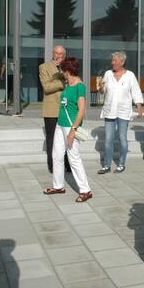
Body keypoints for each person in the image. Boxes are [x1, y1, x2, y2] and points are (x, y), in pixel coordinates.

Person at [43, 57, 92, 202]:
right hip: (60, 124)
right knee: (57, 156)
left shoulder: (79, 86)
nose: (62, 73)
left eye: (63, 70)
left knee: (73, 157)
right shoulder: (67, 85)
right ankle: (58, 186)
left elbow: (81, 110)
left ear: (68, 71)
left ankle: (86, 190)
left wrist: (73, 130)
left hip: (71, 126)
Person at [98, 51, 144, 174]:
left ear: (122, 62)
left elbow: (136, 92)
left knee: (122, 138)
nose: (112, 63)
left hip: (123, 111)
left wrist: (139, 107)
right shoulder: (108, 74)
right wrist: (101, 87)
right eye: (112, 60)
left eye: (115, 60)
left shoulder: (130, 75)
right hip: (109, 110)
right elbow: (102, 92)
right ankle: (106, 165)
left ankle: (121, 164)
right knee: (108, 139)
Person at [39, 45, 66, 173]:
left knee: (66, 138)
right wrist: (62, 82)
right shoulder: (44, 67)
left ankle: (67, 164)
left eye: (61, 54)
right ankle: (52, 165)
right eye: (56, 53)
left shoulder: (67, 67)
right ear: (52, 54)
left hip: (66, 108)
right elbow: (47, 87)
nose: (59, 56)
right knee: (52, 139)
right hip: (51, 108)